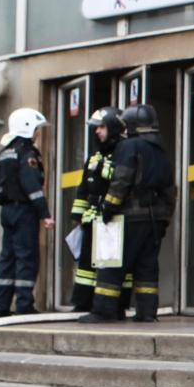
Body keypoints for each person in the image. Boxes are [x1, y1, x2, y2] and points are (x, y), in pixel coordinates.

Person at [78, 104, 175, 323]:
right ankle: (147, 313)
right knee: (147, 267)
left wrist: (108, 208)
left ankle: (103, 312)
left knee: (111, 264)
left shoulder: (129, 146)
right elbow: (170, 188)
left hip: (129, 216)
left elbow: (122, 179)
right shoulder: (159, 148)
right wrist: (165, 217)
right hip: (154, 218)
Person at [0, 107, 55, 317]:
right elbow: (32, 186)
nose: (38, 133)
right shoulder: (27, 154)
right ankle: (24, 306)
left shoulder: (5, 153)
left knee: (7, 258)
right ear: (28, 128)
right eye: (36, 129)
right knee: (27, 258)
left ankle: (0, 307)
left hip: (7, 211)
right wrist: (44, 214)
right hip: (23, 211)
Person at [69, 106, 131, 317]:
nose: (97, 131)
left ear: (114, 127)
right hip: (92, 217)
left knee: (110, 266)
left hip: (113, 218)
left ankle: (115, 306)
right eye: (96, 128)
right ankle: (83, 302)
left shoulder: (125, 151)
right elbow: (83, 188)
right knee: (86, 267)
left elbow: (124, 181)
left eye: (102, 127)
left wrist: (105, 168)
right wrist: (77, 215)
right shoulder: (95, 156)